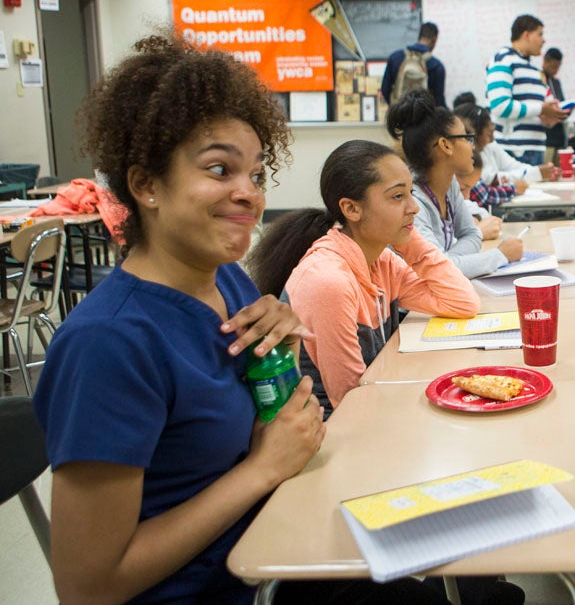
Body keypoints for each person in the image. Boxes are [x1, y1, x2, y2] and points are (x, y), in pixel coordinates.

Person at [30, 33, 448, 604]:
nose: (248, 194)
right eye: (219, 169)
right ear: (145, 185)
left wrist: (283, 339)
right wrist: (259, 471)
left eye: (255, 175)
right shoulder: (108, 343)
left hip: (280, 542)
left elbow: (255, 411)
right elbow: (88, 587)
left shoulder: (225, 279)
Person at [246, 139, 480, 416]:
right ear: (351, 209)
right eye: (397, 197)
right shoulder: (328, 281)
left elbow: (462, 303)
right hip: (331, 429)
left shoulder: (381, 261)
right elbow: (351, 401)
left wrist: (409, 241)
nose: (414, 207)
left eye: (410, 192)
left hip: (370, 406)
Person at [388, 89, 523, 278]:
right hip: (410, 306)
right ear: (445, 145)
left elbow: (472, 235)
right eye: (466, 138)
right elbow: (437, 271)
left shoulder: (449, 183)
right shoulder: (411, 201)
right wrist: (500, 256)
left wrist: (446, 261)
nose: (472, 146)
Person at [485, 14, 569, 165]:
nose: (544, 41)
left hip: (535, 149)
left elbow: (540, 110)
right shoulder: (503, 61)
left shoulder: (534, 70)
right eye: (540, 34)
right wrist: (541, 109)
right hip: (512, 152)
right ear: (526, 35)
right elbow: (499, 106)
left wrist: (551, 117)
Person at [454, 101, 555, 186]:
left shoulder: (489, 146)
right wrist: (537, 173)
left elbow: (512, 165)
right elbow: (492, 180)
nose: (492, 128)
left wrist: (541, 171)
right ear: (475, 132)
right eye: (488, 126)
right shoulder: (465, 156)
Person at [381, 21, 447, 108]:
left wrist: (395, 108)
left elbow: (385, 90)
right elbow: (439, 102)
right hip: (424, 119)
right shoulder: (437, 66)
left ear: (419, 36)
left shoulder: (395, 58)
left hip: (398, 116)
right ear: (434, 39)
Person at [542, 47, 568, 156]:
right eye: (553, 67)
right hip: (546, 137)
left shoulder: (556, 82)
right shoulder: (538, 79)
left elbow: (561, 101)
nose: (555, 71)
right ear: (545, 61)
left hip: (559, 136)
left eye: (557, 67)